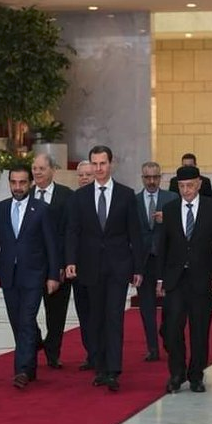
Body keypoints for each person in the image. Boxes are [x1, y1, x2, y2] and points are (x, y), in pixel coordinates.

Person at [65, 145, 143, 392]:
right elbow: (73, 231)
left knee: (114, 317)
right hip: (90, 267)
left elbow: (135, 234)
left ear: (111, 164)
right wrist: (70, 261)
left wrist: (138, 268)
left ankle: (113, 370)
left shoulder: (126, 195)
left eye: (102, 163)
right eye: (95, 164)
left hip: (118, 267)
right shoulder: (80, 197)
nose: (98, 168)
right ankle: (100, 367)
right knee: (95, 318)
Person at [157, 166, 212, 394]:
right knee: (172, 328)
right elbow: (163, 245)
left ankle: (196, 375)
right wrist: (160, 278)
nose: (186, 190)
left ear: (199, 184)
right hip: (176, 280)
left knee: (199, 330)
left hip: (203, 279)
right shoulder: (169, 210)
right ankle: (176, 373)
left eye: (190, 185)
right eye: (182, 186)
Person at [0, 165, 60, 388]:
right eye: (14, 182)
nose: (18, 187)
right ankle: (31, 366)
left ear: (30, 183)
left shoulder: (42, 209)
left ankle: (21, 370)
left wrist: (53, 275)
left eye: (22, 182)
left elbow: (51, 245)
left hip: (34, 275)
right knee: (17, 321)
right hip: (8, 276)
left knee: (26, 319)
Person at [30, 153, 73, 369]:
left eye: (41, 168)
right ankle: (37, 341)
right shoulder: (25, 193)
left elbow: (69, 232)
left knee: (56, 314)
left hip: (57, 265)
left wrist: (63, 263)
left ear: (52, 170)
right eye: (34, 168)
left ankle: (53, 353)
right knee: (26, 311)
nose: (37, 172)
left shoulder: (66, 195)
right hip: (31, 265)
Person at [135, 161, 178, 362]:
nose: (151, 181)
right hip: (144, 262)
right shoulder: (133, 201)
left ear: (161, 178)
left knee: (171, 306)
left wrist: (167, 218)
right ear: (142, 178)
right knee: (146, 308)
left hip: (167, 261)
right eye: (147, 177)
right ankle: (152, 348)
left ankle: (167, 335)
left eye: (155, 177)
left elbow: (182, 226)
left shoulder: (172, 199)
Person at [72, 159, 96, 370]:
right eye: (81, 175)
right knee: (84, 313)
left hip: (101, 267)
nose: (84, 178)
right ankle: (91, 353)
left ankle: (102, 352)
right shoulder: (73, 200)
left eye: (88, 174)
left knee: (100, 312)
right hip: (79, 268)